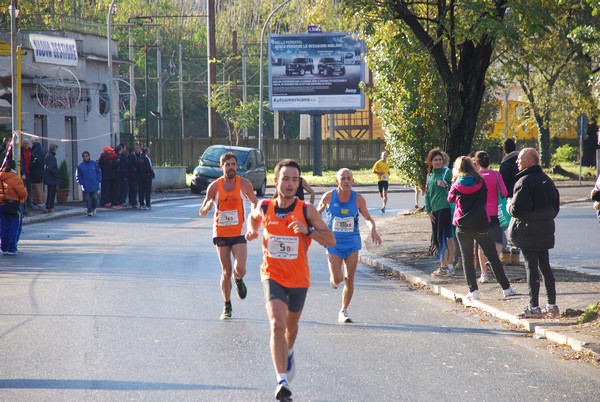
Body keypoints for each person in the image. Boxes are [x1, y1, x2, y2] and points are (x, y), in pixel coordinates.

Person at [245, 159, 335, 401]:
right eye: (286, 178)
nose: (290, 184)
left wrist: (308, 231)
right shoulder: (265, 207)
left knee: (291, 328)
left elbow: (331, 239)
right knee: (277, 325)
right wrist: (252, 230)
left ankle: (290, 351)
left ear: (299, 184)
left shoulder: (306, 211)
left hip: (298, 279)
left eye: (295, 180)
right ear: (276, 181)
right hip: (272, 274)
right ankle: (281, 379)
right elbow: (252, 218)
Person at [199, 151, 259, 320]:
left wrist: (254, 215)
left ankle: (239, 280)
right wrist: (208, 206)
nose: (231, 168)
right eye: (227, 165)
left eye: (233, 164)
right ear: (221, 167)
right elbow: (202, 212)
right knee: (226, 271)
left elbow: (254, 202)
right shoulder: (214, 187)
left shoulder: (244, 184)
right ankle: (227, 305)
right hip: (221, 233)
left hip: (239, 232)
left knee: (239, 269)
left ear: (236, 166)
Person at [447, 156, 516, 301]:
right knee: (492, 256)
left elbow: (450, 199)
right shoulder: (480, 182)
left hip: (463, 225)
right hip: (481, 223)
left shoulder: (457, 184)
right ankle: (506, 288)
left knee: (467, 258)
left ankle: (473, 291)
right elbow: (485, 198)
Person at [317, 168, 381, 323]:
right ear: (337, 181)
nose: (346, 181)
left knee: (349, 278)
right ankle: (333, 279)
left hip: (352, 242)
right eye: (343, 178)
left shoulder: (358, 199)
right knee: (338, 279)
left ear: (352, 181)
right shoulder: (328, 197)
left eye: (348, 178)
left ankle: (343, 310)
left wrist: (373, 229)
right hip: (333, 243)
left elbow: (368, 218)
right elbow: (316, 213)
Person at [508, 148, 560, 318]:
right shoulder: (548, 180)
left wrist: (509, 206)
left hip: (528, 231)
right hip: (545, 230)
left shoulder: (524, 181)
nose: (517, 161)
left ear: (530, 161)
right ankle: (552, 304)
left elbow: (518, 209)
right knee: (545, 266)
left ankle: (534, 307)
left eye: (520, 159)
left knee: (531, 267)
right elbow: (555, 207)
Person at [473, 151, 508, 283]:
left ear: (476, 162)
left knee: (482, 245)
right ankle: (490, 260)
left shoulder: (475, 176)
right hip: (495, 214)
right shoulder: (496, 174)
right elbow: (504, 192)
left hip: (480, 215)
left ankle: (484, 274)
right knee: (498, 242)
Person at [424, 148, 456, 276]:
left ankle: (446, 266)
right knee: (440, 238)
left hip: (445, 208)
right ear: (430, 162)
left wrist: (446, 185)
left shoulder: (447, 173)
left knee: (445, 237)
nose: (438, 162)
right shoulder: (430, 175)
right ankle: (447, 265)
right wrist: (428, 210)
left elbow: (455, 188)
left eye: (440, 159)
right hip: (434, 210)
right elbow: (427, 194)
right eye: (435, 160)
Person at [499, 138, 521, 265]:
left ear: (504, 150)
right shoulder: (519, 161)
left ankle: (506, 255)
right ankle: (516, 256)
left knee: (504, 225)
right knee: (516, 226)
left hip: (508, 198)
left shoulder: (505, 164)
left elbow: (502, 183)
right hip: (520, 196)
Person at [0, 159, 27, 255]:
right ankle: (12, 248)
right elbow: (22, 193)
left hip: (1, 204)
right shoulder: (15, 178)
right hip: (13, 205)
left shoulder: (1, 176)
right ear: (15, 167)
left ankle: (4, 248)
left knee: (3, 226)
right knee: (14, 226)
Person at [76, 151, 102, 216]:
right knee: (87, 199)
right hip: (86, 185)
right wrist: (81, 182)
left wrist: (98, 180)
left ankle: (94, 208)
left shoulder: (94, 164)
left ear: (89, 156)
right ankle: (89, 210)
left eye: (86, 156)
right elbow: (78, 175)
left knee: (95, 198)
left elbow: (99, 172)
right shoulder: (80, 166)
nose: (85, 157)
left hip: (94, 184)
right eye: (84, 156)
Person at [29, 137, 46, 209]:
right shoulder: (41, 148)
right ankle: (43, 202)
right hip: (41, 171)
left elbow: (36, 160)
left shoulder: (36, 149)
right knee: (41, 188)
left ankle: (41, 202)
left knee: (37, 187)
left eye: (31, 141)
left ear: (33, 142)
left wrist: (30, 165)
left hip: (36, 171)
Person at [43, 143, 60, 213]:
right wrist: (57, 175)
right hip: (51, 178)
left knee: (51, 192)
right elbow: (51, 168)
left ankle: (49, 206)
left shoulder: (48, 155)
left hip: (49, 177)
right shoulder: (51, 156)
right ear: (54, 149)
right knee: (52, 193)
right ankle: (50, 207)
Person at [20, 139, 32, 209]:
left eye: (27, 143)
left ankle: (29, 203)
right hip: (24, 173)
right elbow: (21, 163)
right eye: (24, 143)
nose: (26, 145)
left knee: (29, 188)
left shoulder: (31, 151)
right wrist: (22, 173)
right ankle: (24, 203)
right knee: (24, 188)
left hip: (30, 172)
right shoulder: (21, 152)